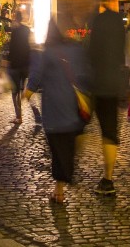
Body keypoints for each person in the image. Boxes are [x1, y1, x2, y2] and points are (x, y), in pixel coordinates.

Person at [24, 21, 90, 205]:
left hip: (54, 110)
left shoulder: (45, 52)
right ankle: (61, 184)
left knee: (56, 150)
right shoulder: (75, 49)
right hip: (72, 107)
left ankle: (60, 189)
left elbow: (36, 75)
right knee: (66, 146)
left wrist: (27, 92)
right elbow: (85, 72)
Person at [86, 0, 126, 196]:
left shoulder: (98, 21)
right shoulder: (118, 21)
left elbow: (92, 52)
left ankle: (68, 170)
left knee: (81, 121)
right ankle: (108, 178)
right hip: (114, 82)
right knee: (110, 131)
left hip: (97, 81)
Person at [5, 10, 32, 124]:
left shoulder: (15, 31)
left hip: (15, 65)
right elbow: (29, 46)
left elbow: (12, 48)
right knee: (21, 89)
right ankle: (30, 107)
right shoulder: (27, 30)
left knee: (14, 91)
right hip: (25, 64)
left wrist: (8, 61)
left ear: (16, 18)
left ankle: (18, 116)